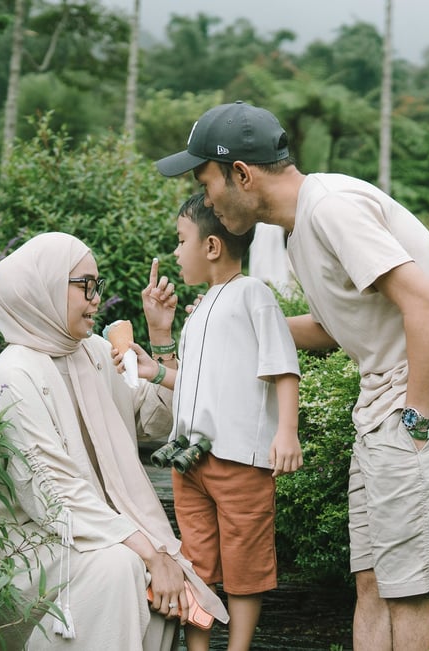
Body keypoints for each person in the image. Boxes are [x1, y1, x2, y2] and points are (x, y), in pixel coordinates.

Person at [154, 102, 429, 651]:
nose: (209, 202)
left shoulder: (333, 209)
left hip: (420, 408)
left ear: (240, 174)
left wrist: (417, 417)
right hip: (379, 411)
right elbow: (333, 328)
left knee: (406, 588)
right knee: (371, 582)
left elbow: (426, 306)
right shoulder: (299, 233)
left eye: (207, 181)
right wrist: (233, 321)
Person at [0, 232, 228, 651]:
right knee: (122, 566)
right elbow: (53, 494)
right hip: (26, 543)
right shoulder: (14, 374)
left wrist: (161, 338)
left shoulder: (92, 352)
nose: (96, 299)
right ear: (44, 286)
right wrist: (150, 552)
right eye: (85, 286)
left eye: (98, 286)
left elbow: (153, 420)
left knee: (148, 571)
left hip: (95, 523)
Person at [121, 193, 303, 651]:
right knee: (196, 564)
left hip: (240, 461)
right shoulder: (201, 308)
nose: (176, 251)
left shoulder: (254, 295)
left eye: (182, 241)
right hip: (189, 461)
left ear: (213, 247)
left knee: (245, 566)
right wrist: (155, 369)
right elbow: (201, 384)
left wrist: (287, 431)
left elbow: (283, 365)